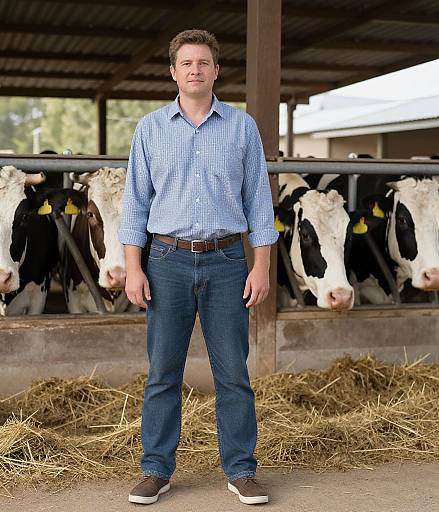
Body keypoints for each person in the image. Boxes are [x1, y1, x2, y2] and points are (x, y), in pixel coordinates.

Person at [118, 29, 278, 506]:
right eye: (186, 63)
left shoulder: (241, 126)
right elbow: (134, 206)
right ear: (173, 72)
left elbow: (259, 201)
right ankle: (156, 469)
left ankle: (241, 470)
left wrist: (261, 265)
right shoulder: (149, 128)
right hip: (165, 259)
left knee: (233, 371)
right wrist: (134, 267)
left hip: (228, 259)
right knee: (163, 371)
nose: (194, 69)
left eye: (203, 62)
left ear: (215, 70)